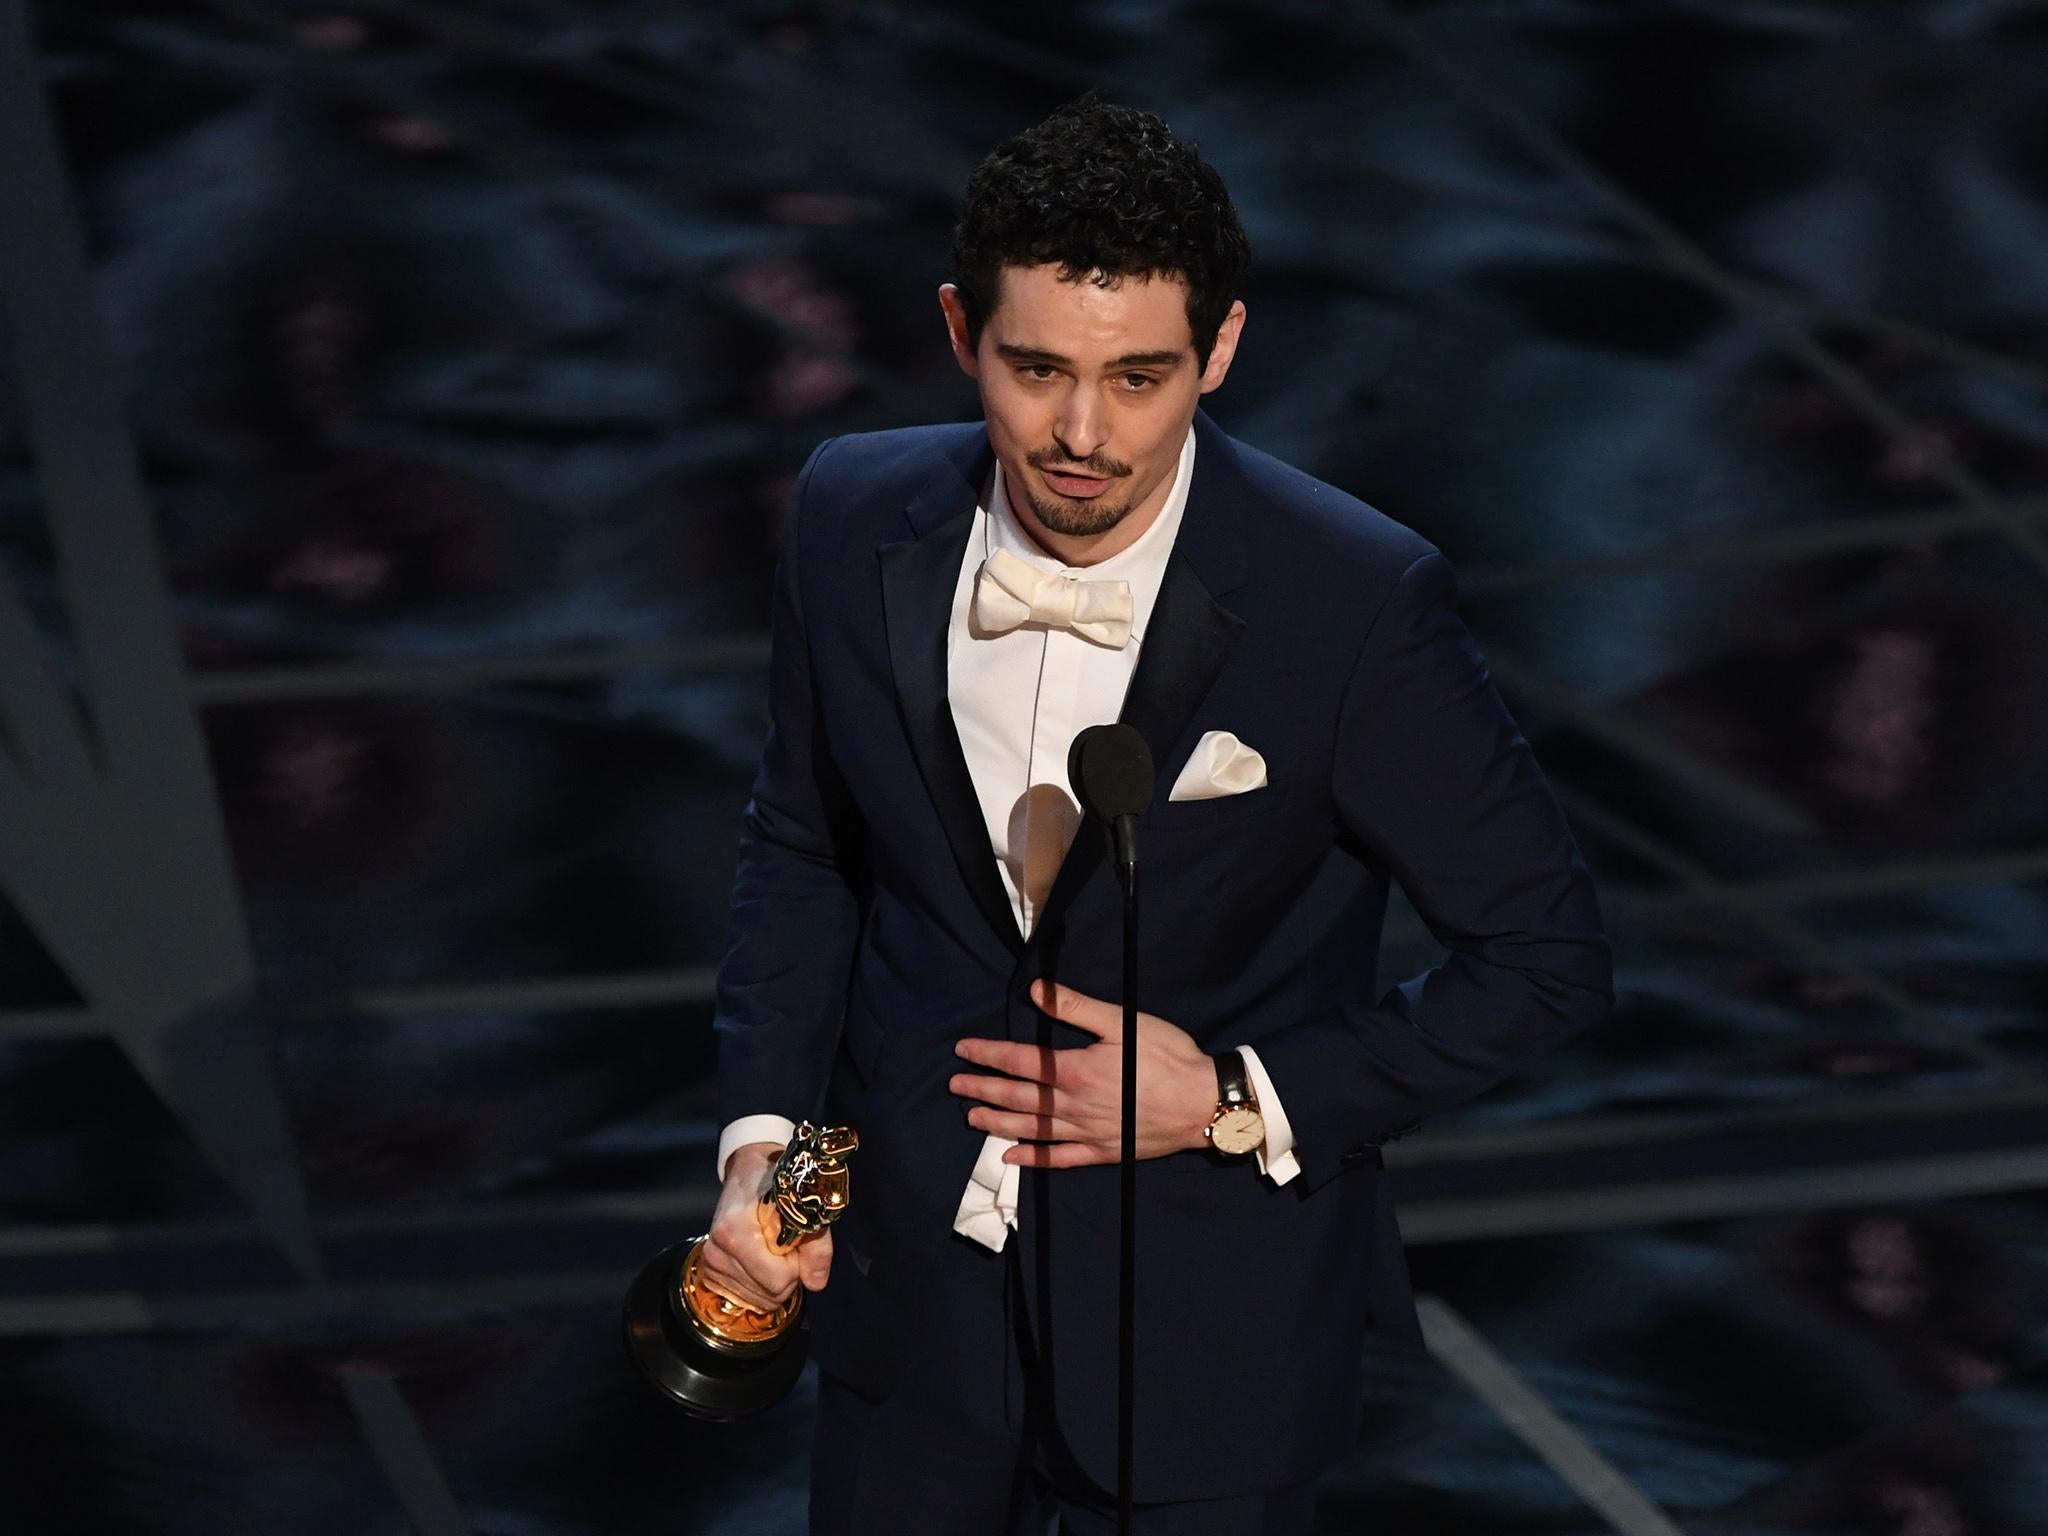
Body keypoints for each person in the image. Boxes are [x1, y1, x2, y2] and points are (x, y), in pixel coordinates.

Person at [699, 96, 1613, 1534]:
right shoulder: (845, 514)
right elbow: (809, 850)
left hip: (1206, 1344)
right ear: (959, 333)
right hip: (909, 1333)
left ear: (1223, 350)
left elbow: (1546, 956)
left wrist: (1245, 1097)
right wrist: (767, 1150)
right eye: (1036, 369)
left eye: (1139, 378)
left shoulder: (1351, 602)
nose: (1082, 434)